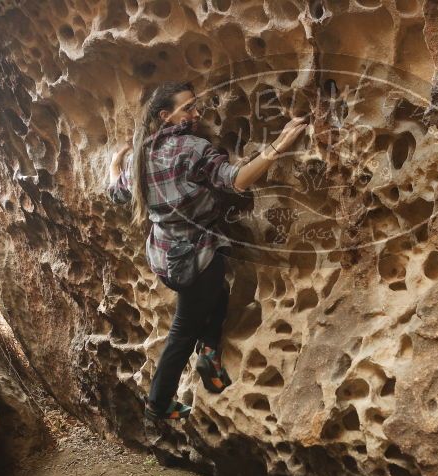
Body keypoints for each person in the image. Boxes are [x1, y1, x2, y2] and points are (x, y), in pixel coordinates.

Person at [106, 81, 308, 422]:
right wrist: (279, 145)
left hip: (164, 258)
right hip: (199, 259)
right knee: (184, 330)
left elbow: (117, 194)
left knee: (218, 293)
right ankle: (159, 404)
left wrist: (115, 162)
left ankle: (209, 353)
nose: (197, 114)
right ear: (166, 116)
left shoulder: (138, 157)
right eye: (188, 109)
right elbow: (237, 180)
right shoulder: (192, 150)